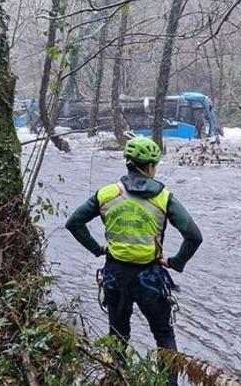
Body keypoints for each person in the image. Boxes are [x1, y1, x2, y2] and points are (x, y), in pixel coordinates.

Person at [65, 137, 203, 385]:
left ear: (128, 164)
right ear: (149, 167)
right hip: (150, 278)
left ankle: (119, 379)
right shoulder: (164, 198)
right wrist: (175, 262)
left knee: (118, 335)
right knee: (163, 335)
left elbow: (74, 223)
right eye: (155, 164)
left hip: (115, 276)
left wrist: (98, 249)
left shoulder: (106, 194)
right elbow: (193, 236)